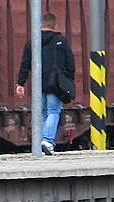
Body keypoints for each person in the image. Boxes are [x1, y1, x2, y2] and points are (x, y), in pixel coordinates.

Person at [15, 11, 74, 155]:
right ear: (55, 25)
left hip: (38, 83)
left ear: (41, 24)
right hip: (56, 83)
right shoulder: (61, 40)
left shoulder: (32, 41)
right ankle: (47, 140)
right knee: (54, 111)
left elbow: (25, 64)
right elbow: (70, 63)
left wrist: (20, 83)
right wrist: (68, 79)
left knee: (42, 112)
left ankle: (41, 142)